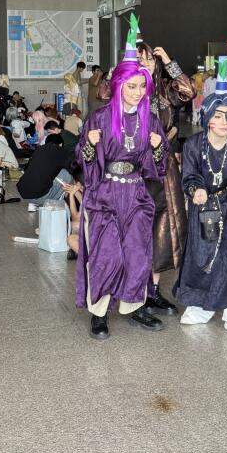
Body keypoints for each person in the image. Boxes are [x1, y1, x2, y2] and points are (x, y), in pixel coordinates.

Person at [75, 19, 168, 340]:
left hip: (137, 194)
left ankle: (134, 305)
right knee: (106, 254)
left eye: (142, 86)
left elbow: (159, 165)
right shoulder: (100, 117)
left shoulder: (149, 120)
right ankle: (99, 312)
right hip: (105, 194)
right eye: (132, 86)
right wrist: (89, 145)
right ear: (118, 86)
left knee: (137, 253)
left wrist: (158, 148)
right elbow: (82, 158)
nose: (138, 92)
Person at [173, 61, 227, 338]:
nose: (224, 122)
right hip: (204, 208)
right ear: (208, 117)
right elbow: (189, 176)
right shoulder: (192, 144)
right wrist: (196, 190)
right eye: (219, 116)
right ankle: (201, 308)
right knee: (201, 257)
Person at [136, 36, 196, 316]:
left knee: (163, 226)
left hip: (163, 165)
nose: (146, 63)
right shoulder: (125, 89)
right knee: (135, 226)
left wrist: (170, 63)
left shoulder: (164, 88)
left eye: (150, 58)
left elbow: (188, 92)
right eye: (140, 59)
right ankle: (135, 290)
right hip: (133, 167)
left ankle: (154, 291)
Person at [17, 134, 73, 211]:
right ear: (61, 144)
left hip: (23, 194)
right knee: (66, 174)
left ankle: (33, 204)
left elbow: (27, 168)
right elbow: (72, 169)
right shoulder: (61, 151)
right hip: (40, 196)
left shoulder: (39, 149)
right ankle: (54, 204)